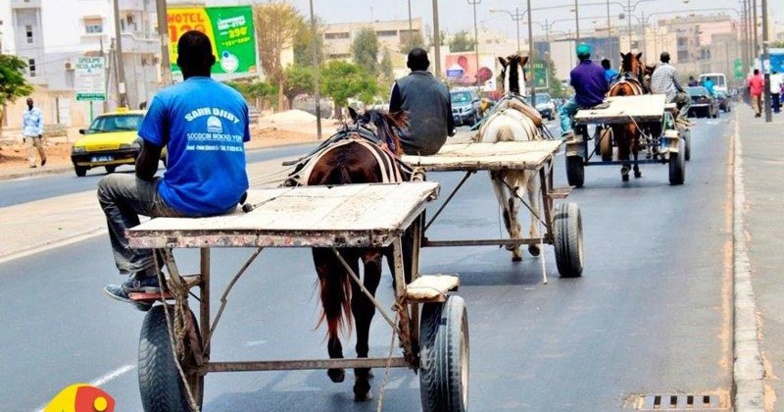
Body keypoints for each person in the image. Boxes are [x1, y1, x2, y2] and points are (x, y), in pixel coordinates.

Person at [101, 30, 251, 311]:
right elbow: (225, 151)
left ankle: (145, 271)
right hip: (229, 200)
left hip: (184, 202)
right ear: (213, 60)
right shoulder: (236, 99)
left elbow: (144, 173)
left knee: (108, 187)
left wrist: (144, 152)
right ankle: (147, 272)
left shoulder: (165, 99)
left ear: (179, 62)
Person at [389, 48, 455, 155]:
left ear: (408, 64)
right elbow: (450, 125)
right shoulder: (443, 87)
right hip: (436, 144)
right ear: (428, 64)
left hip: (406, 145)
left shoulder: (400, 85)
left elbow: (391, 119)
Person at [559, 44, 608, 139]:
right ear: (589, 55)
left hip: (582, 101)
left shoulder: (574, 72)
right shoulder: (600, 69)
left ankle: (567, 131)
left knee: (563, 111)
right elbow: (606, 87)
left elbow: (575, 87)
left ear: (578, 57)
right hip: (599, 100)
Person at [649, 51, 691, 124]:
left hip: (657, 98)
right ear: (669, 59)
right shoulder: (672, 69)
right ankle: (681, 117)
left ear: (660, 59)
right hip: (669, 97)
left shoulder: (656, 71)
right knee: (687, 98)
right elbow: (678, 86)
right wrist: (683, 91)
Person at [22, 97, 46, 168]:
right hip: (28, 132)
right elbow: (23, 124)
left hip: (36, 132)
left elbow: (41, 122)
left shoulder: (37, 111)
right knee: (29, 148)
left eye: (30, 101)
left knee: (39, 147)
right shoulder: (25, 112)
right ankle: (32, 163)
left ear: (32, 102)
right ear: (26, 103)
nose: (29, 103)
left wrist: (40, 132)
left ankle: (43, 157)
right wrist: (23, 135)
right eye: (28, 102)